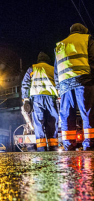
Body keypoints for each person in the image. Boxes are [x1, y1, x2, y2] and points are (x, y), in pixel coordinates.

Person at [54, 23, 94, 151]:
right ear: (82, 31)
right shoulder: (87, 39)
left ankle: (68, 144)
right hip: (83, 79)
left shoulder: (60, 45)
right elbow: (92, 60)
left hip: (65, 84)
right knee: (87, 111)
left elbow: (56, 69)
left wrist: (58, 87)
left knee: (66, 114)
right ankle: (90, 143)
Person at [21, 52, 59, 152]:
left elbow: (25, 84)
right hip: (51, 98)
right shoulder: (52, 68)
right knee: (52, 122)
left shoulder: (32, 68)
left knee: (39, 123)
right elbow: (58, 82)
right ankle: (53, 147)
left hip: (36, 99)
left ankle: (41, 148)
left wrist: (26, 99)